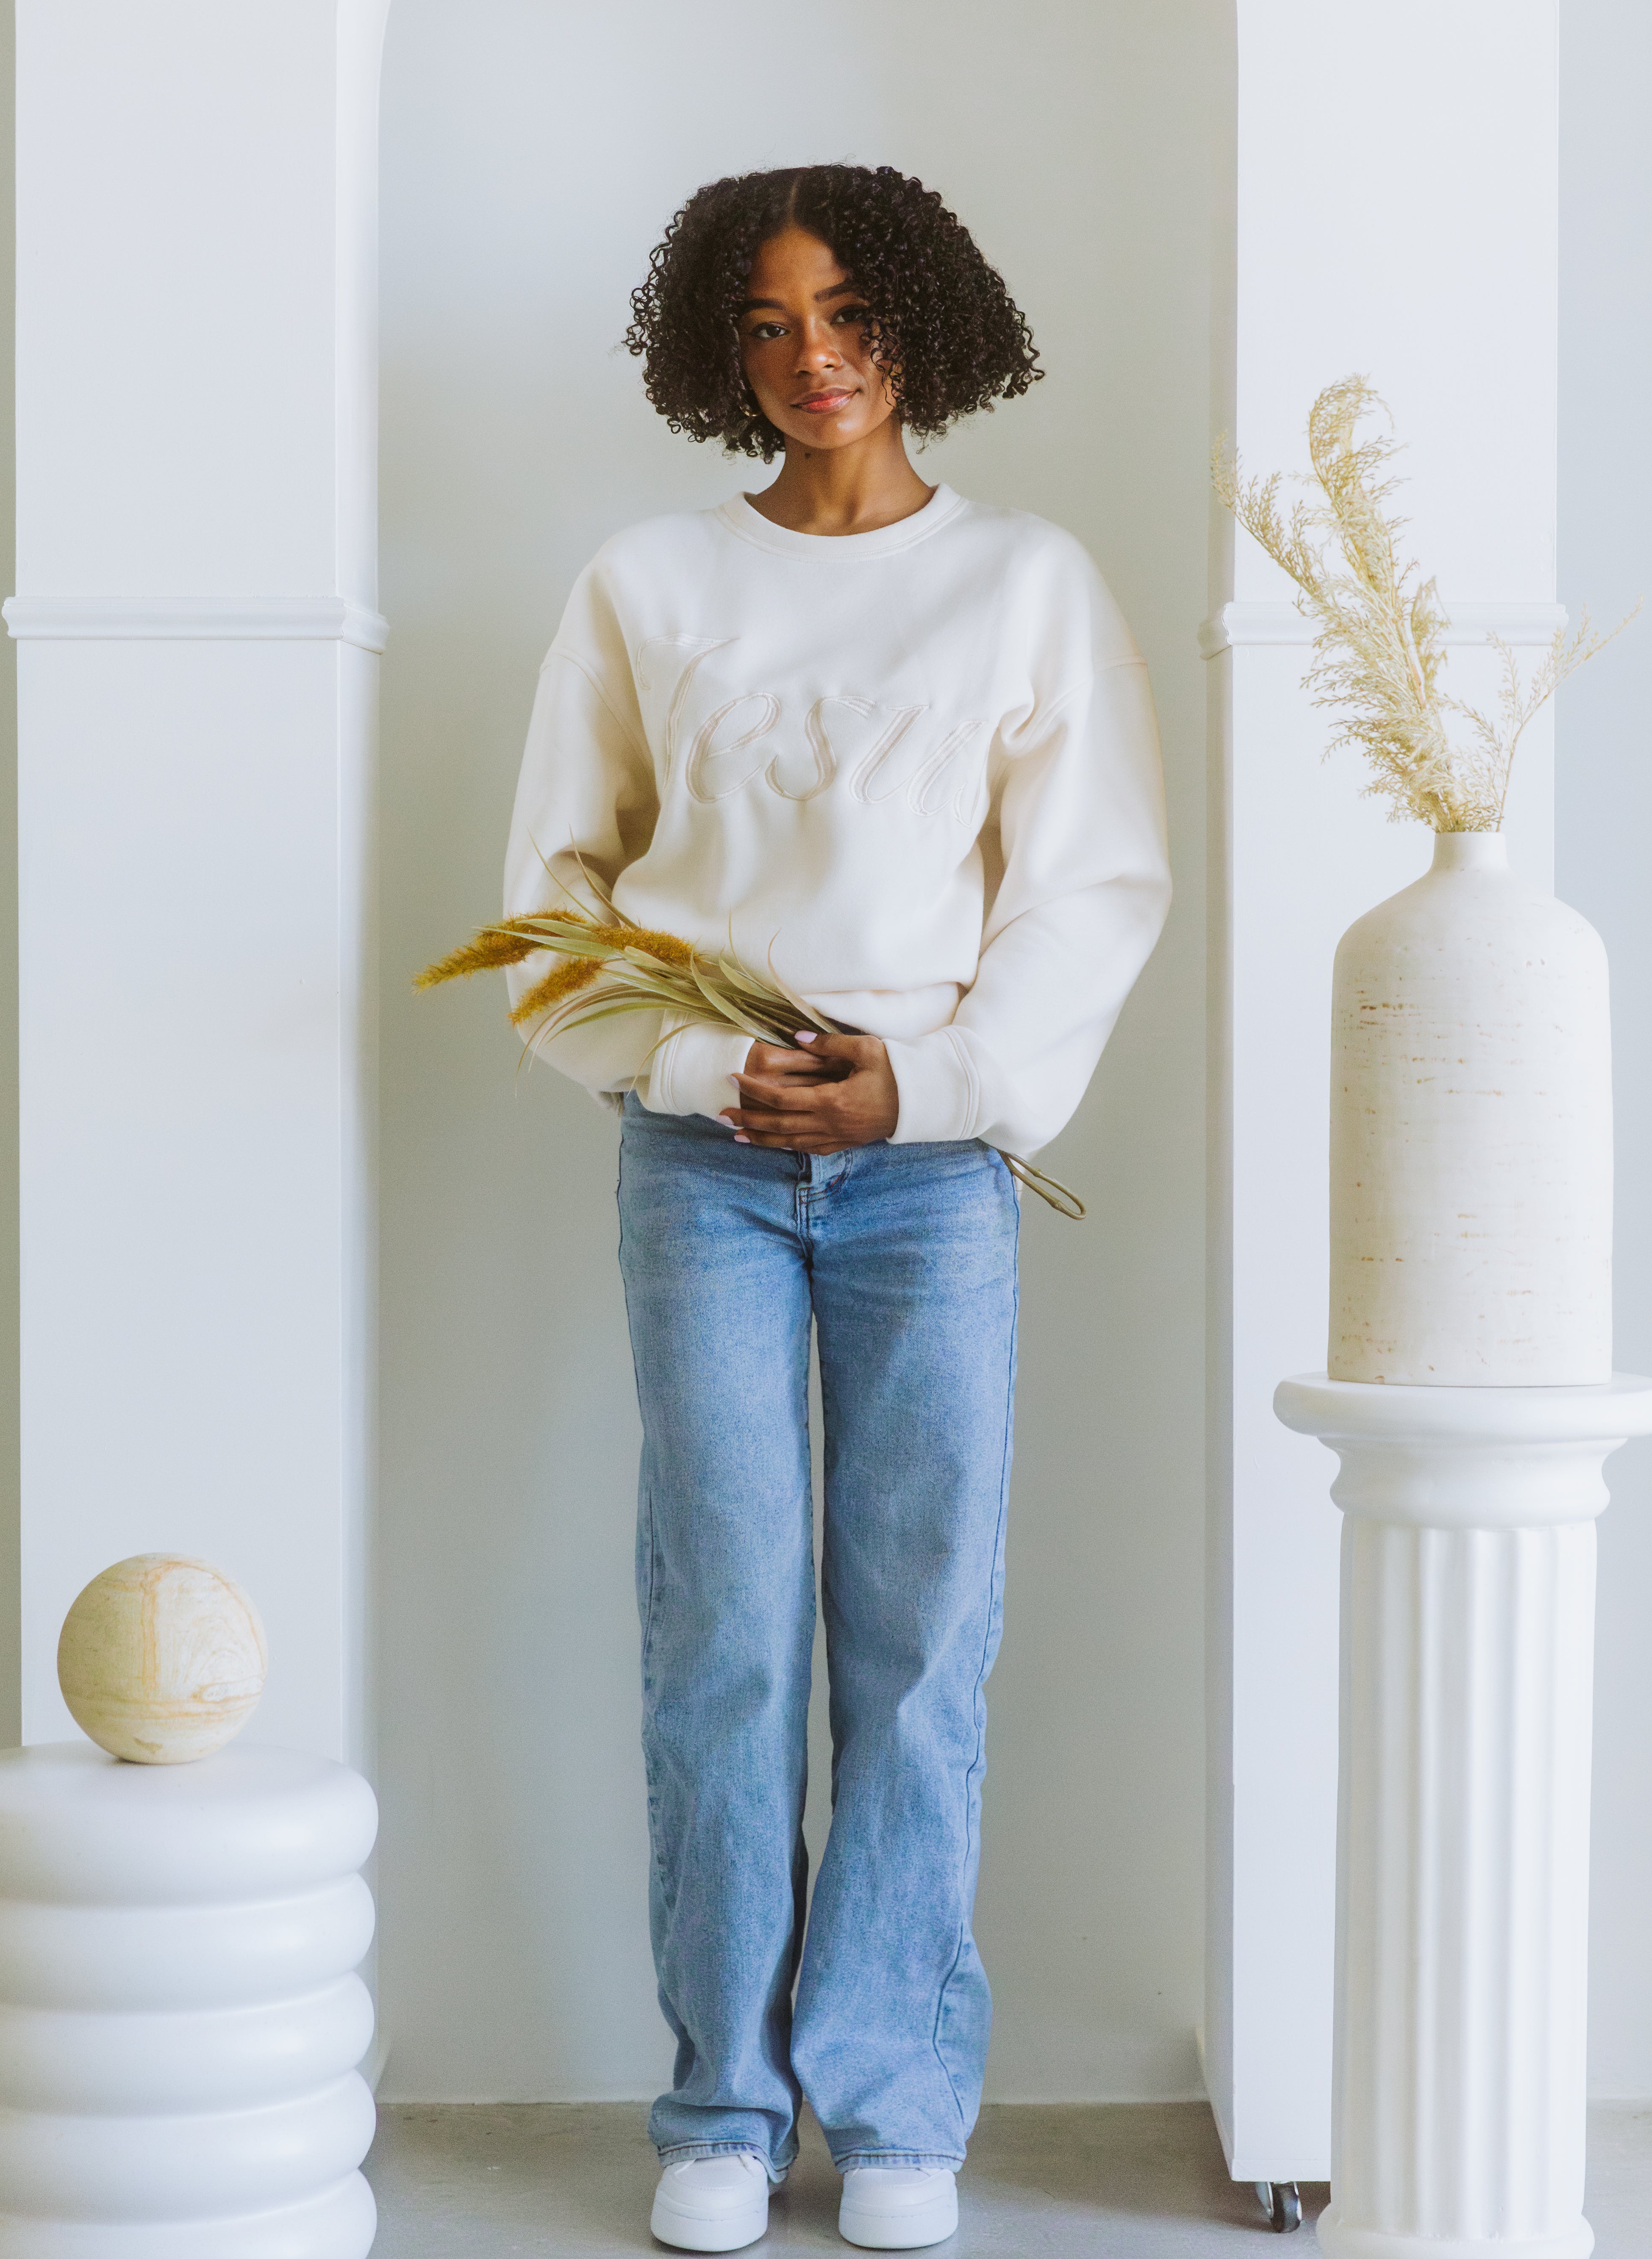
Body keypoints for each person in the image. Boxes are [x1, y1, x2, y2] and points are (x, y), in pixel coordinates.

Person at [503, 165, 1170, 2252]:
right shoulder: (645, 584)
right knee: (718, 1636)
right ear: (720, 348)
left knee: (916, 1646)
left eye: (852, 314)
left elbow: (1087, 894)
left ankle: (890, 2109)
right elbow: (552, 911)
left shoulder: (1028, 585)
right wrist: (707, 1068)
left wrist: (926, 1086)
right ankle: (716, 2103)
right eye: (770, 323)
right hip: (698, 1168)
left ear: (929, 327)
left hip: (931, 1182)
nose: (814, 359)